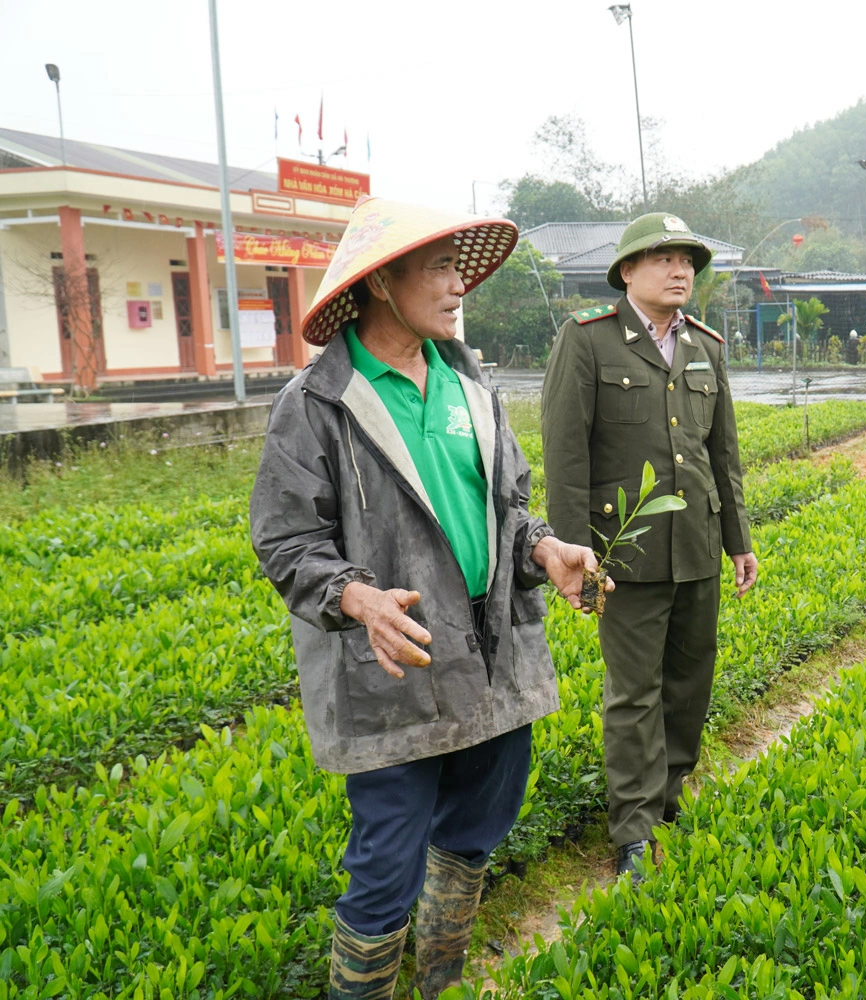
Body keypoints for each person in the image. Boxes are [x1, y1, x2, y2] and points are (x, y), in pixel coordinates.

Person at [249, 196, 608, 1000]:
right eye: (440, 269)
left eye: (459, 269)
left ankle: (440, 976)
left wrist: (544, 549)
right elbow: (284, 540)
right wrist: (355, 598)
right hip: (394, 673)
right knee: (382, 870)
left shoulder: (470, 390)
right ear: (382, 283)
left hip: (490, 666)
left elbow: (509, 510)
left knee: (474, 837)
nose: (458, 288)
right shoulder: (317, 405)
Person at [540, 212, 757, 881]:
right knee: (634, 693)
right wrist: (573, 552)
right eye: (663, 259)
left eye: (688, 260)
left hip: (696, 545)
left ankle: (667, 799)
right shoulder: (588, 341)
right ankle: (632, 827)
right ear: (627, 271)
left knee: (690, 682)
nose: (680, 270)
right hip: (624, 551)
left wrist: (738, 540)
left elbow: (724, 452)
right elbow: (566, 452)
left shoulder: (706, 346)